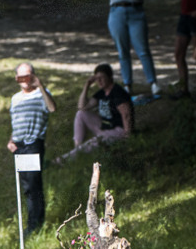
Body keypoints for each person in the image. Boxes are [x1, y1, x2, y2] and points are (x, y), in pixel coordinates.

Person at [7, 62, 56, 237]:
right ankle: (32, 223)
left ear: (33, 76)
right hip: (19, 146)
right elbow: (17, 122)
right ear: (16, 79)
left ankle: (35, 224)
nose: (24, 80)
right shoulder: (15, 98)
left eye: (28, 76)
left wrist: (41, 86)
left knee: (33, 184)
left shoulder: (41, 94)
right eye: (21, 77)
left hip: (33, 144)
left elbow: (51, 108)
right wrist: (11, 140)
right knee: (26, 186)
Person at [105, 0, 159, 96]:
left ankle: (153, 82)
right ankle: (127, 84)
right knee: (123, 51)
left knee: (142, 49)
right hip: (117, 13)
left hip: (136, 12)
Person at [54, 64, 132, 165]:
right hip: (104, 127)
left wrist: (128, 135)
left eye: (102, 78)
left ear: (110, 77)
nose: (99, 81)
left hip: (118, 130)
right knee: (80, 114)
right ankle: (77, 149)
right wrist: (87, 85)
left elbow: (126, 114)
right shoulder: (102, 93)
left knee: (92, 142)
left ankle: (63, 160)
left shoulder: (117, 92)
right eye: (96, 79)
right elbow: (82, 107)